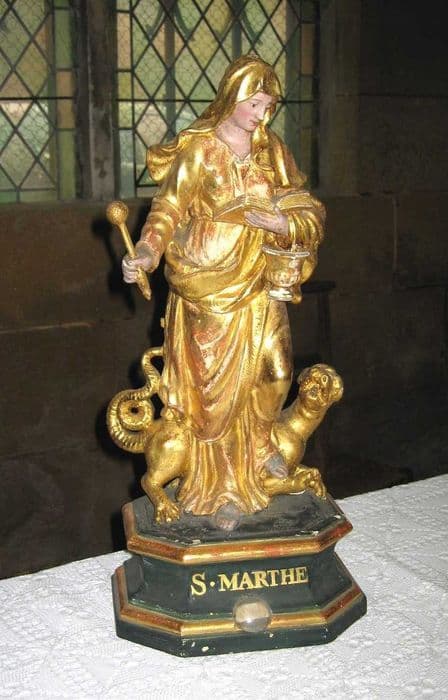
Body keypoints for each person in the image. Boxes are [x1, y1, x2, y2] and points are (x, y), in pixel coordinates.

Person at [122, 55, 325, 528]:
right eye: (255, 104)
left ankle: (261, 447)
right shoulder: (200, 150)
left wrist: (282, 222)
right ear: (233, 98)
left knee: (276, 372)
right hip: (207, 288)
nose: (261, 115)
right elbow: (168, 208)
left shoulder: (271, 149)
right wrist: (147, 252)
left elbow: (303, 203)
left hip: (260, 278)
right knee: (214, 400)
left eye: (269, 106)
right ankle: (222, 488)